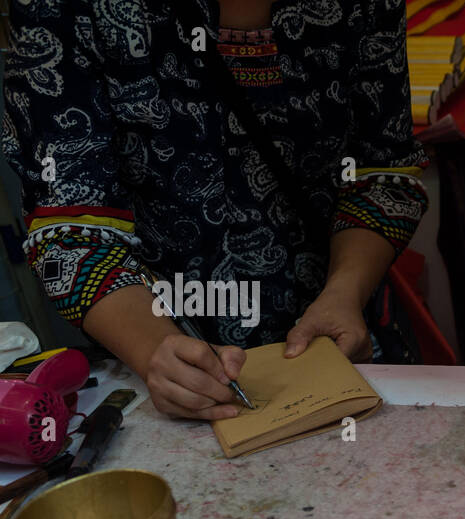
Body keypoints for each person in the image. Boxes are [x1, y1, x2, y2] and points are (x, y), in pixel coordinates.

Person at [2, 0, 429, 420]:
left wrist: (345, 292)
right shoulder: (65, 6)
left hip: (337, 348)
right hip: (156, 353)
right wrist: (155, 350)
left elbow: (382, 171)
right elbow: (68, 227)